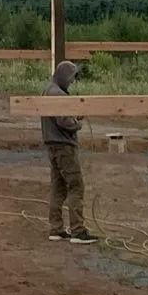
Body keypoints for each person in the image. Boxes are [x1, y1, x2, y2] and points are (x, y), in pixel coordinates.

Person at [41, 60, 96, 243]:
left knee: (58, 187)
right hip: (64, 146)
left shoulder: (48, 90)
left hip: (52, 145)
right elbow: (64, 122)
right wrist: (77, 123)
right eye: (71, 78)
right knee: (76, 186)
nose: (72, 81)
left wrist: (73, 116)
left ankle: (56, 228)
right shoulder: (56, 94)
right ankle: (77, 230)